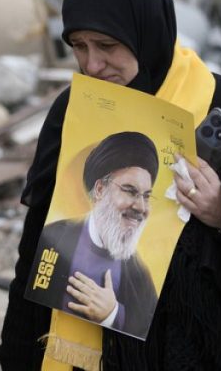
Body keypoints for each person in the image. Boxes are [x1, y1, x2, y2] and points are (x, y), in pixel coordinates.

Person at [0, 0, 221, 370]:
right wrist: (15, 355)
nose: (92, 65)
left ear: (144, 34)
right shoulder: (75, 111)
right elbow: (36, 247)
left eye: (106, 45)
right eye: (79, 47)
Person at [29, 131, 160, 339]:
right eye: (130, 191)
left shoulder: (139, 272)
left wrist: (112, 314)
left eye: (146, 196)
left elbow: (150, 331)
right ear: (100, 189)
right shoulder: (54, 235)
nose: (140, 207)